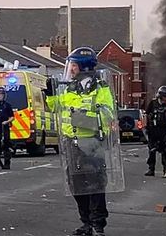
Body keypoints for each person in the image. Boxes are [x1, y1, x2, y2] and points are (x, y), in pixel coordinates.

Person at [58, 47, 117, 236]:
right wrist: (49, 94)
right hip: (71, 143)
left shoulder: (101, 88)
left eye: (73, 65)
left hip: (91, 143)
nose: (71, 69)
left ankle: (97, 224)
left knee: (95, 184)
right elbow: (56, 108)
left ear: (83, 67)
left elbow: (108, 113)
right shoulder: (69, 87)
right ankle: (86, 222)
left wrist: (83, 118)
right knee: (75, 184)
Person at [143, 86, 166, 177]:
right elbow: (146, 114)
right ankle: (151, 169)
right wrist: (145, 126)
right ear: (161, 96)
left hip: (164, 130)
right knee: (152, 150)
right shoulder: (152, 103)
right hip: (153, 130)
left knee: (165, 151)